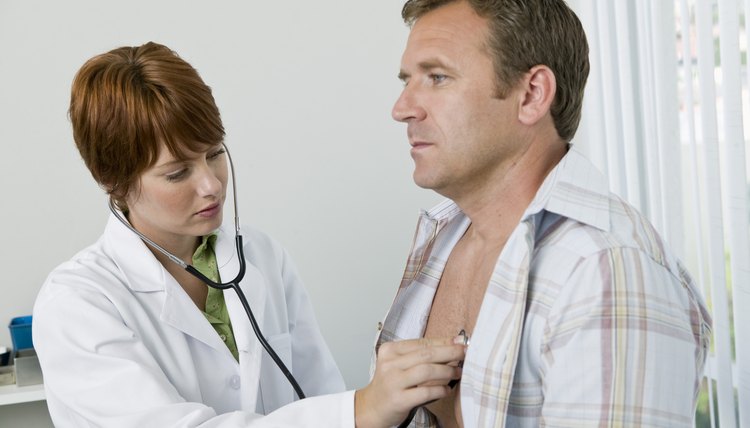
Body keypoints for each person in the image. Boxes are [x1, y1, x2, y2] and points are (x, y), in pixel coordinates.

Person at [33, 41, 465, 428]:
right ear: (116, 182)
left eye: (215, 153)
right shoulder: (78, 303)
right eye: (178, 172)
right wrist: (361, 410)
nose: (211, 185)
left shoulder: (260, 256)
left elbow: (319, 394)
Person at [376, 0, 713, 427]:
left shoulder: (606, 271)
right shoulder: (440, 237)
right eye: (408, 80)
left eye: (437, 78)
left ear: (532, 94)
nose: (402, 108)